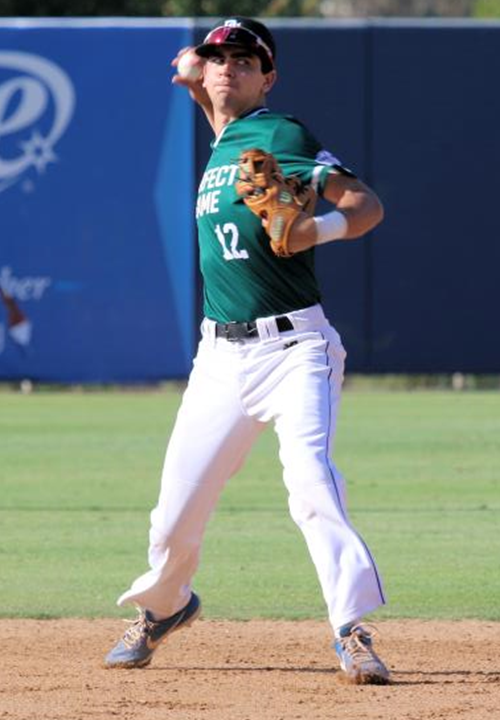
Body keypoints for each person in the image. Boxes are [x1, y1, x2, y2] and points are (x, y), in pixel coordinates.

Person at [105, 16, 390, 685]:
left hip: (296, 348)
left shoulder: (278, 133)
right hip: (220, 359)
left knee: (311, 483)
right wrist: (194, 69)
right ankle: (166, 606)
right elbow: (192, 77)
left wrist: (310, 230)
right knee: (175, 514)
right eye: (217, 57)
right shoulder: (225, 136)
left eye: (244, 58)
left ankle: (351, 628)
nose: (226, 66)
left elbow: (367, 205)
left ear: (269, 75)